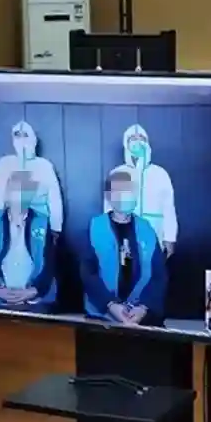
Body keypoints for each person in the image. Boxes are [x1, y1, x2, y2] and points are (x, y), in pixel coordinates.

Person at [81, 170, 167, 326]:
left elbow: (159, 275)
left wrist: (143, 307)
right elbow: (88, 273)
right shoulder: (95, 226)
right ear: (108, 196)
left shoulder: (146, 228)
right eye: (118, 191)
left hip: (142, 314)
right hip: (103, 314)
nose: (124, 196)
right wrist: (110, 305)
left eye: (128, 190)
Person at [0, 170, 56, 307]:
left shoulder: (42, 222)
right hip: (0, 297)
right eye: (15, 191)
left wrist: (35, 290)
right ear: (7, 194)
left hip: (32, 298)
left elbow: (50, 262)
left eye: (25, 192)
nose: (20, 197)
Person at [105, 124, 177, 257]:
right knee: (127, 266)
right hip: (125, 233)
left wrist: (170, 238)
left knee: (153, 266)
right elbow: (109, 207)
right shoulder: (117, 173)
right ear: (126, 143)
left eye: (141, 138)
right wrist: (109, 236)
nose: (137, 142)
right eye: (133, 138)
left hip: (154, 232)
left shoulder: (160, 174)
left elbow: (168, 208)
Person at [0, 121, 63, 239]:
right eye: (18, 136)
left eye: (25, 136)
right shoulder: (5, 164)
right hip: (11, 223)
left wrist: (55, 228)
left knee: (37, 249)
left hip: (38, 222)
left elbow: (54, 199)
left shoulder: (45, 166)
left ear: (33, 140)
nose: (22, 141)